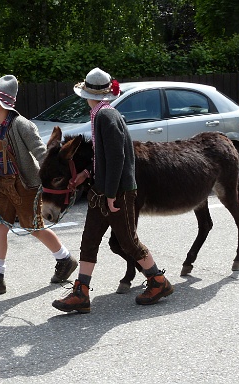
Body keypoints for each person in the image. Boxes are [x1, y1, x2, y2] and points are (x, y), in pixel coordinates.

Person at [52, 68, 173, 313]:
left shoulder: (106, 116)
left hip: (116, 191)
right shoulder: (100, 114)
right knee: (89, 240)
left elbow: (117, 157)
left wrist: (109, 194)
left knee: (128, 241)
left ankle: (158, 281)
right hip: (102, 189)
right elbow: (103, 156)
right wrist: (87, 174)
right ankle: (81, 292)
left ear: (87, 94)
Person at [0, 75, 77, 296]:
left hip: (25, 187)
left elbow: (41, 154)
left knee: (34, 227)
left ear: (1, 103)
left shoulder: (22, 125)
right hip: (2, 187)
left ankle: (65, 259)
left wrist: (51, 181)